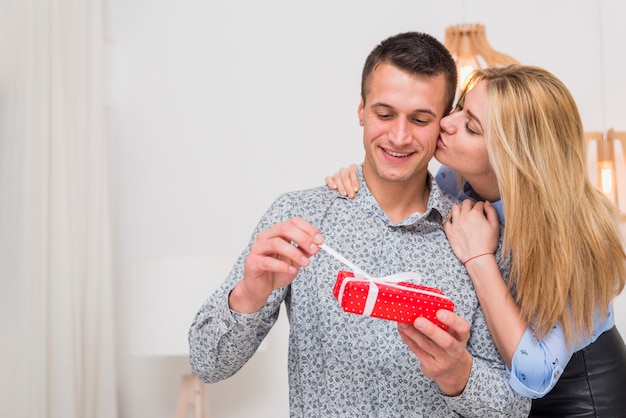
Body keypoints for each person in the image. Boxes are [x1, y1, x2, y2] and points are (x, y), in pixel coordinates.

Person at [188, 32, 530, 417]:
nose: (399, 137)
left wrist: (458, 375)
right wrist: (248, 295)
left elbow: (516, 409)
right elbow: (207, 363)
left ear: (444, 124)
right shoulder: (299, 218)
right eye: (384, 114)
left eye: (420, 119)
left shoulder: (478, 236)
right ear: (361, 111)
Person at [325, 64, 626, 417]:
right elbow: (406, 196)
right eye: (459, 108)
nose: (446, 123)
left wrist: (479, 258)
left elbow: (535, 374)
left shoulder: (577, 235)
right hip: (503, 398)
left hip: (579, 396)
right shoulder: (454, 179)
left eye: (471, 127)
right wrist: (363, 177)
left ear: (513, 157)